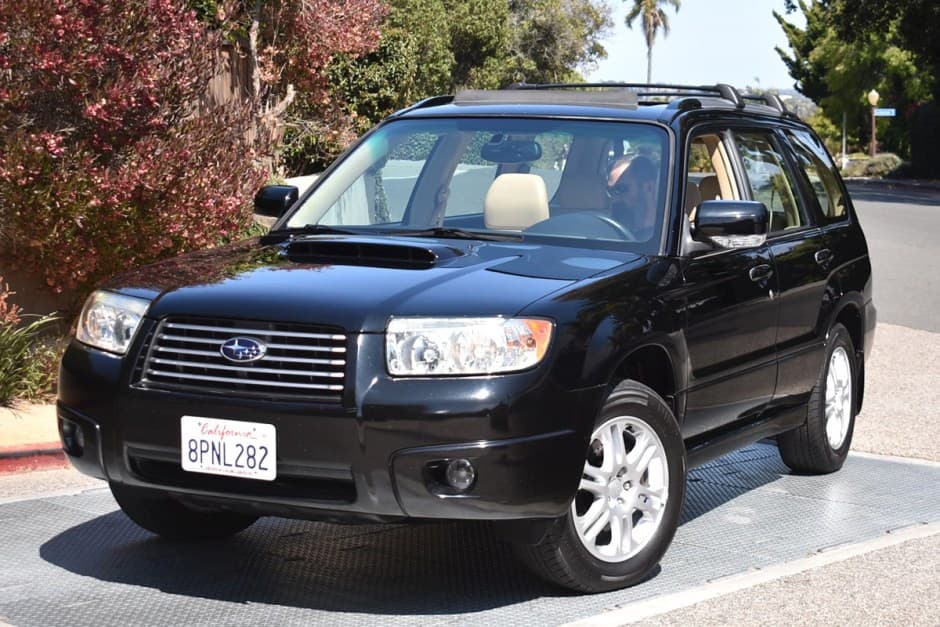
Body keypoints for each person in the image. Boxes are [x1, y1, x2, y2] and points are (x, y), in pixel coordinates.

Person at [607, 155, 660, 240]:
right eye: (610, 191)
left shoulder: (667, 234)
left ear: (648, 188)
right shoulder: (605, 232)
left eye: (620, 189)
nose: (613, 199)